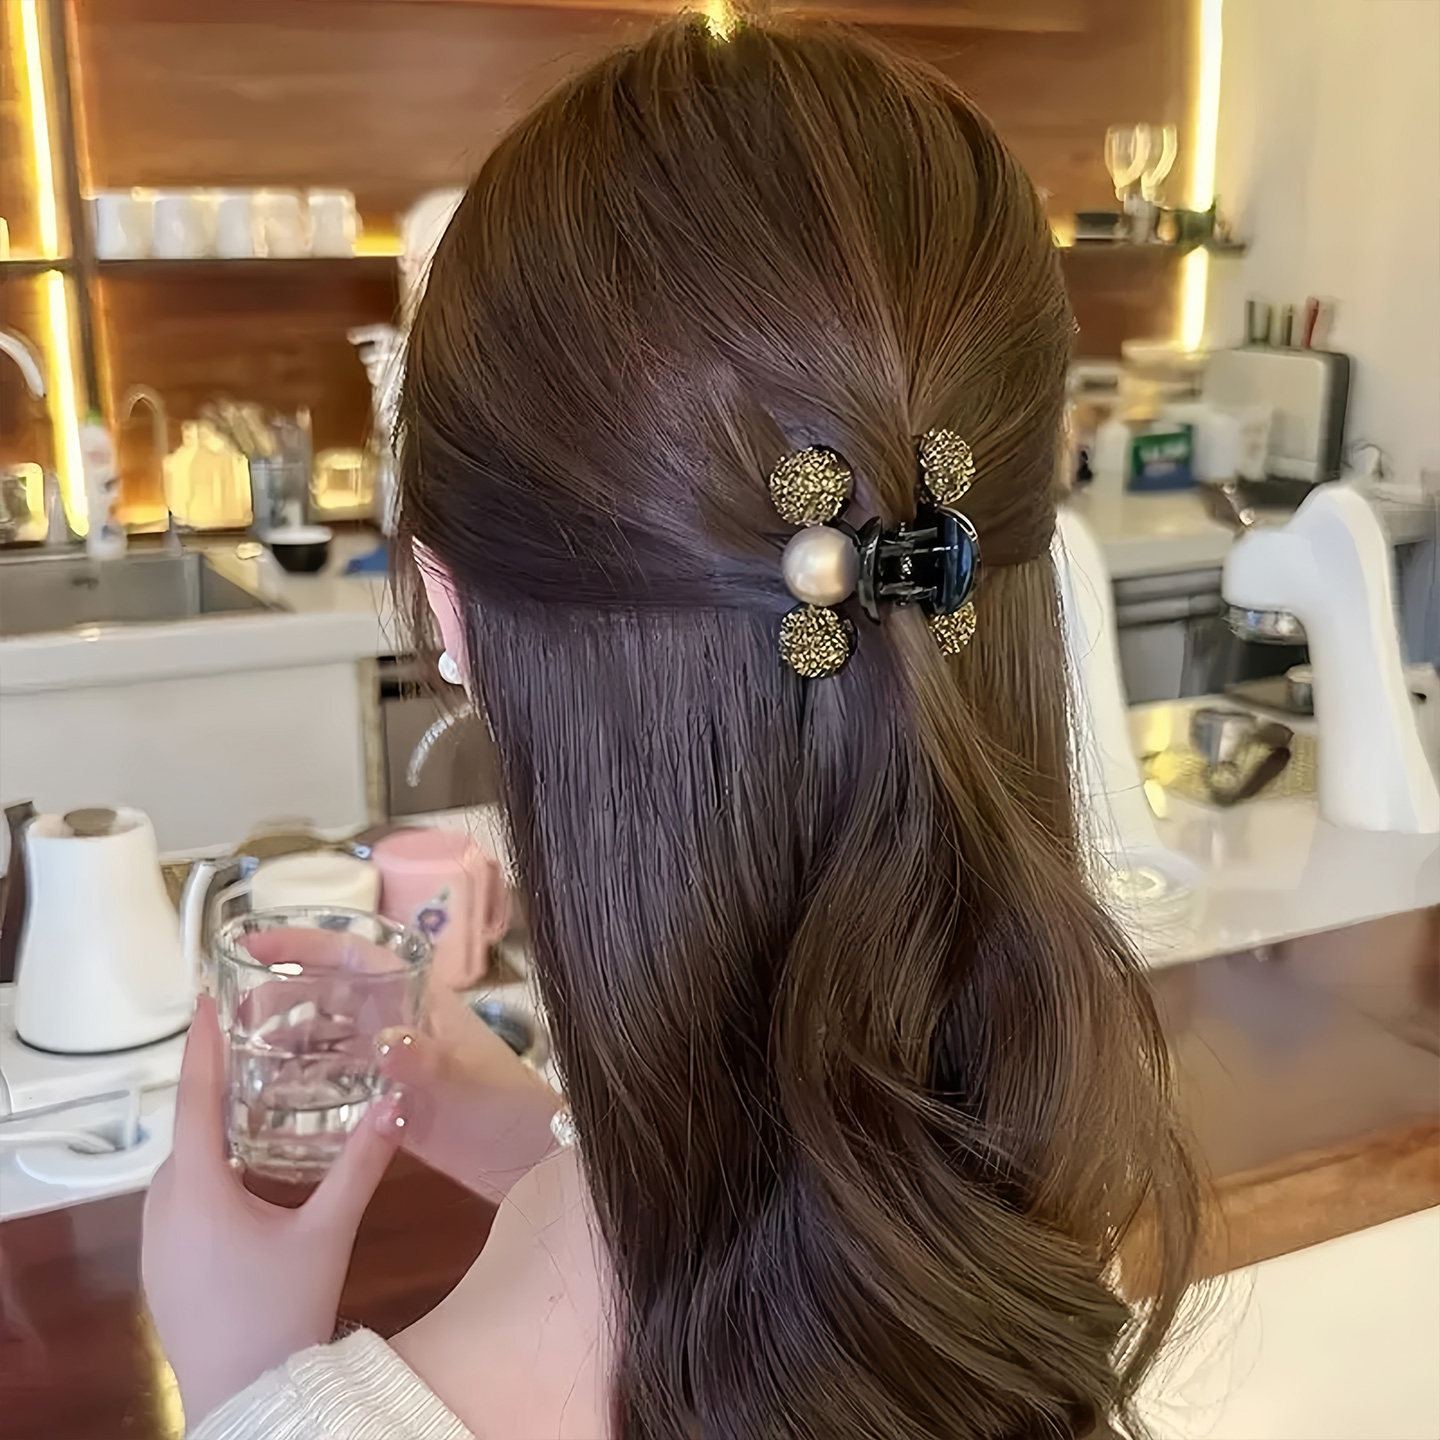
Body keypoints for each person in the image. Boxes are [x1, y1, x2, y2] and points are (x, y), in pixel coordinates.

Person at [142, 16, 1202, 1439]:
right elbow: (767, 1251)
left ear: (449, 609)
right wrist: (533, 1134)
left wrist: (246, 1377)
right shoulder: (1022, 1257)